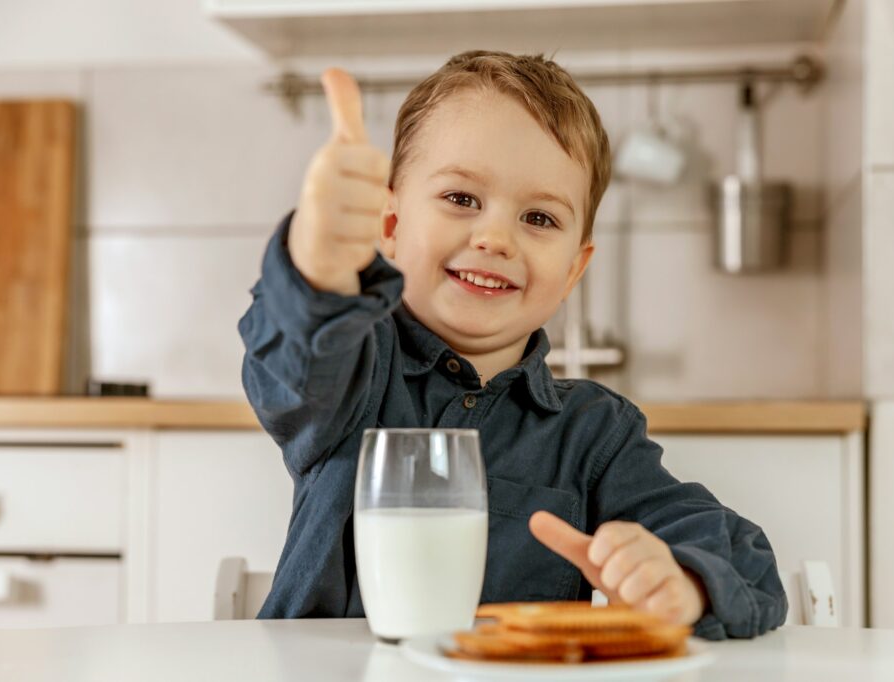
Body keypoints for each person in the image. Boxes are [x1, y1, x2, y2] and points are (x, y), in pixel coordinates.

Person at [239, 50, 787, 640]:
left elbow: (742, 558)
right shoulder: (356, 366)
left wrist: (685, 580)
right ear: (391, 224)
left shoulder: (595, 434)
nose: (496, 238)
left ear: (574, 271)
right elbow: (295, 361)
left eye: (540, 219)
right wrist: (318, 265)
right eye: (462, 199)